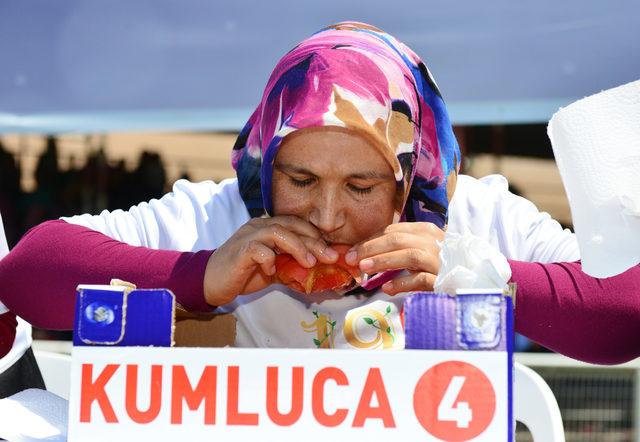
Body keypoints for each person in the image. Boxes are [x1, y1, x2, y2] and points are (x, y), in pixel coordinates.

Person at [0, 22, 638, 362]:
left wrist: (491, 278)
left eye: (361, 185)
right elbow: (27, 274)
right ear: (263, 162)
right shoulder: (221, 216)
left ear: (409, 175)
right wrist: (197, 275)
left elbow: (624, 318)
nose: (328, 216)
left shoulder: (474, 220)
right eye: (299, 180)